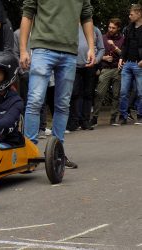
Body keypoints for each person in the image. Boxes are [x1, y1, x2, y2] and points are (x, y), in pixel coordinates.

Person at [19, 0, 95, 169]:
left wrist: (91, 47)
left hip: (69, 52)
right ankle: (29, 155)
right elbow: (28, 13)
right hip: (42, 49)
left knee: (62, 104)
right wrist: (23, 49)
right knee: (35, 101)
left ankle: (57, 153)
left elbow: (87, 16)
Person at [67, 24, 104, 131]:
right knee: (74, 93)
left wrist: (96, 60)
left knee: (88, 93)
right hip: (74, 66)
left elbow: (101, 49)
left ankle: (85, 121)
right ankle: (74, 121)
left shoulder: (95, 30)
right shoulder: (71, 28)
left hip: (90, 66)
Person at [92, 18, 124, 127]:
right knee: (99, 93)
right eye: (109, 27)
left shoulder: (122, 39)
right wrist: (104, 58)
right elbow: (96, 53)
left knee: (116, 94)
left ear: (118, 28)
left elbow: (124, 54)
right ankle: (94, 118)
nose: (110, 29)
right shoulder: (102, 37)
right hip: (105, 69)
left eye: (113, 28)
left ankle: (113, 117)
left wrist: (114, 47)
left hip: (117, 69)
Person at [118, 4, 142, 125]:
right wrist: (121, 58)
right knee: (123, 92)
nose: (129, 16)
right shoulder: (128, 28)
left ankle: (140, 115)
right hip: (128, 63)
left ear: (139, 13)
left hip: (139, 65)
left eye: (131, 14)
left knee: (140, 92)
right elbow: (125, 45)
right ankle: (123, 116)